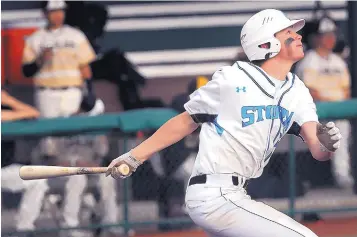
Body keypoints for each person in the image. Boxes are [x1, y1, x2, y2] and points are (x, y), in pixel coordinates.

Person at [105, 9, 343, 237]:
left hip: (237, 193)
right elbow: (186, 121)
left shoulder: (297, 90)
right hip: (212, 193)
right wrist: (135, 156)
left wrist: (326, 144)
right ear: (265, 44)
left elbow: (317, 148)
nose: (298, 35)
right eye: (288, 33)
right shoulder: (233, 79)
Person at [21, 1, 97, 236]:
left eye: (60, 10)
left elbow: (86, 69)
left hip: (71, 93)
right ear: (45, 13)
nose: (57, 15)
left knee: (75, 144)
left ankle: (76, 194)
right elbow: (27, 71)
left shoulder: (75, 35)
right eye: (53, 10)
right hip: (47, 94)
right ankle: (50, 192)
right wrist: (40, 59)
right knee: (50, 146)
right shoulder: (36, 39)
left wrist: (89, 94)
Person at [295, 16, 354, 189]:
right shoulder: (309, 60)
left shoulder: (338, 62)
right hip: (317, 112)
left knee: (341, 129)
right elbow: (310, 91)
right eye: (325, 35)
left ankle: (342, 175)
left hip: (338, 110)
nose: (329, 39)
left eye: (331, 35)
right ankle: (337, 175)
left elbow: (346, 90)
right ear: (316, 38)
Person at [1, 90, 49, 234]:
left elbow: (33, 113)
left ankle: (24, 229)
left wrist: (8, 100)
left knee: (38, 180)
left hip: (4, 171)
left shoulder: (6, 108)